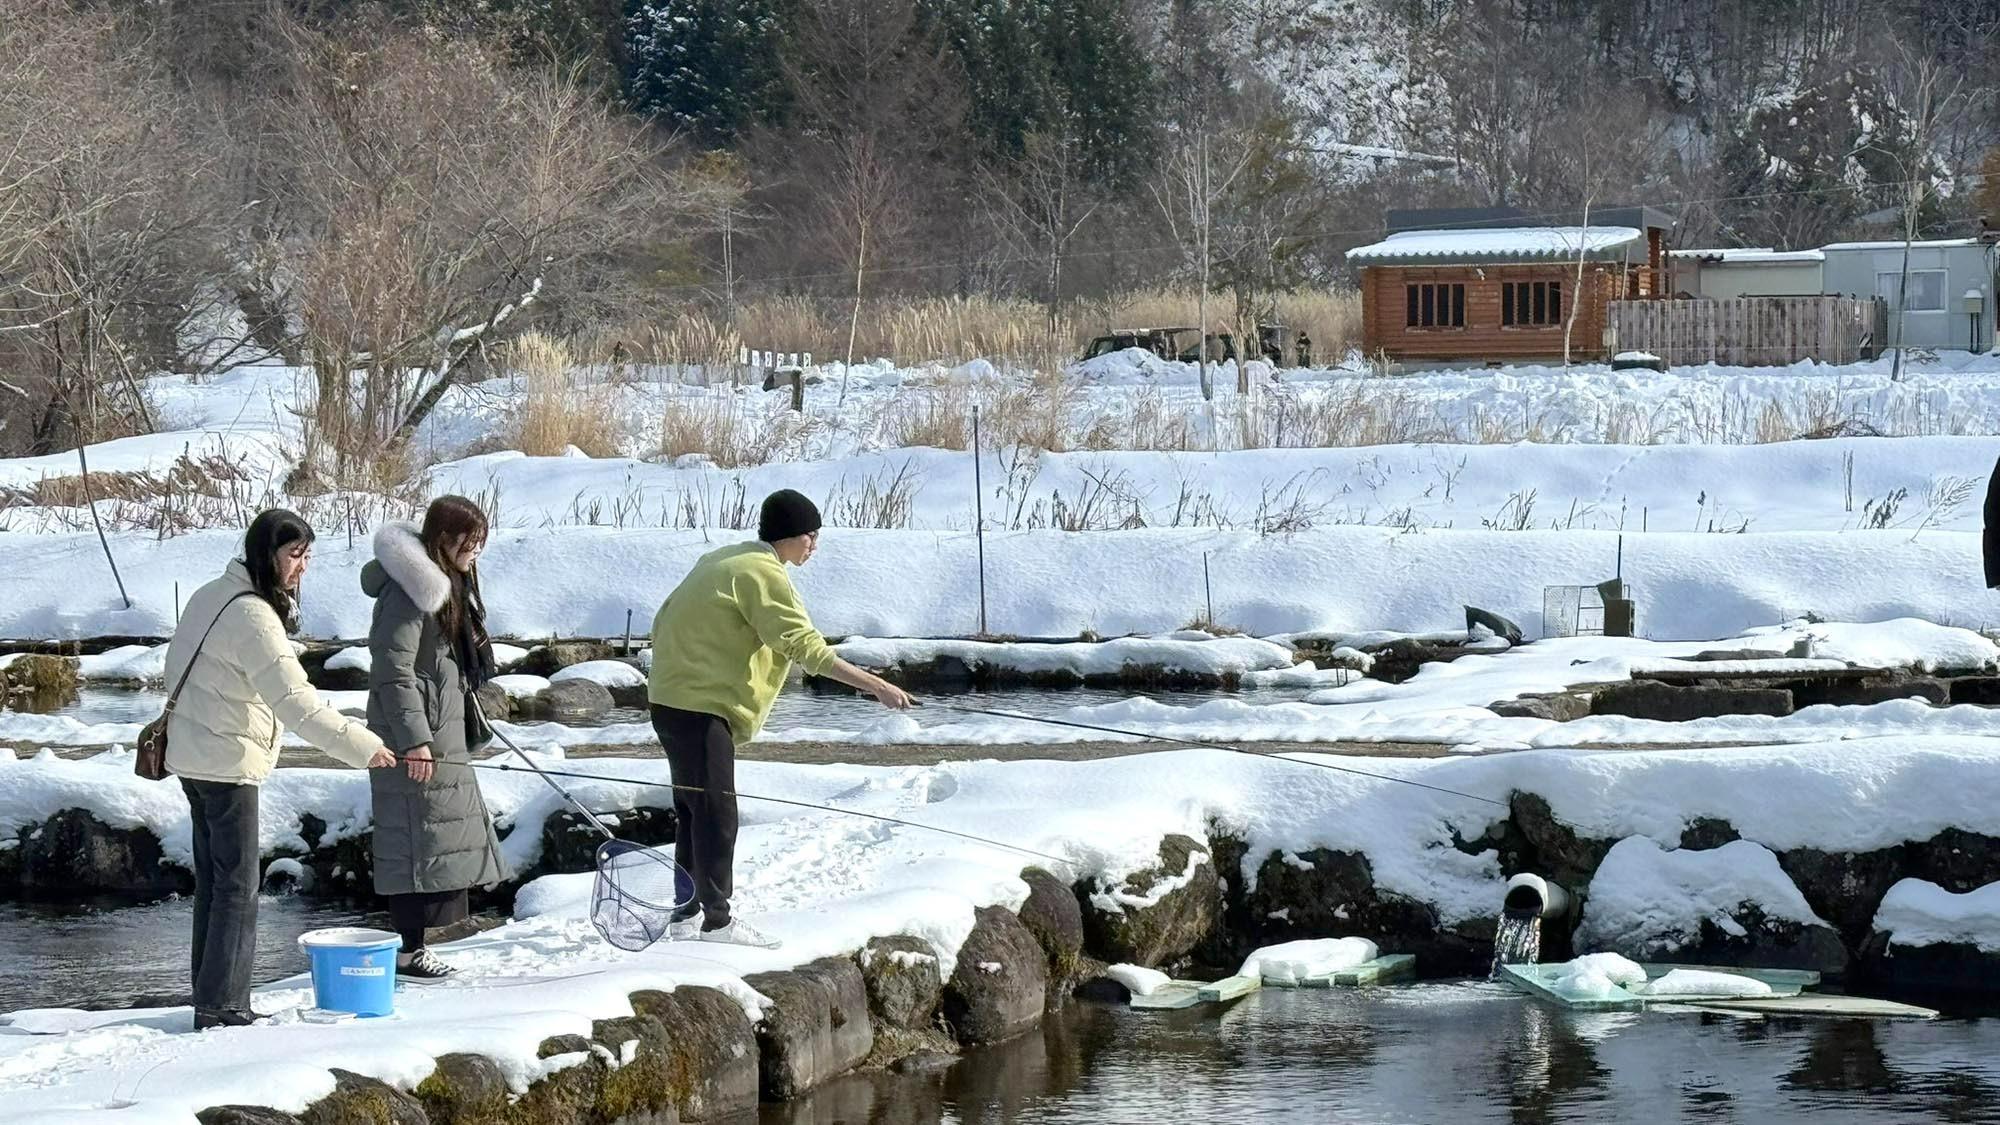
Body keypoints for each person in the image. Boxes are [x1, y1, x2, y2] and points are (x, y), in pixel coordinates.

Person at [648, 489, 912, 948]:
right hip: (698, 704)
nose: (815, 545)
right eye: (811, 535)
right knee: (716, 812)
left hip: (670, 700)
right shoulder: (760, 572)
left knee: (695, 809)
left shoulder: (726, 558)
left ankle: (687, 912)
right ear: (789, 535)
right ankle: (717, 922)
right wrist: (878, 687)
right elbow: (805, 648)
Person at [165, 510, 397, 1030]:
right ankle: (223, 1006)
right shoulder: (253, 617)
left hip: (194, 757)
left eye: (308, 556)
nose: (302, 568)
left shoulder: (211, 594)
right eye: (295, 555)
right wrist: (365, 748)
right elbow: (298, 704)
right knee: (237, 886)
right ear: (265, 554)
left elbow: (173, 668)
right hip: (227, 763)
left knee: (215, 883)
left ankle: (211, 996)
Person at [362, 496, 506, 980]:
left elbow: (443, 664)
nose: (475, 552)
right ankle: (408, 952)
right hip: (414, 736)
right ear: (443, 539)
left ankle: (416, 947)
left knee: (435, 838)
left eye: (480, 543)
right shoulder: (407, 592)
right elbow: (392, 668)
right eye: (469, 542)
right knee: (412, 840)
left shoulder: (451, 583)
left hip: (439, 731)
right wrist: (413, 740)